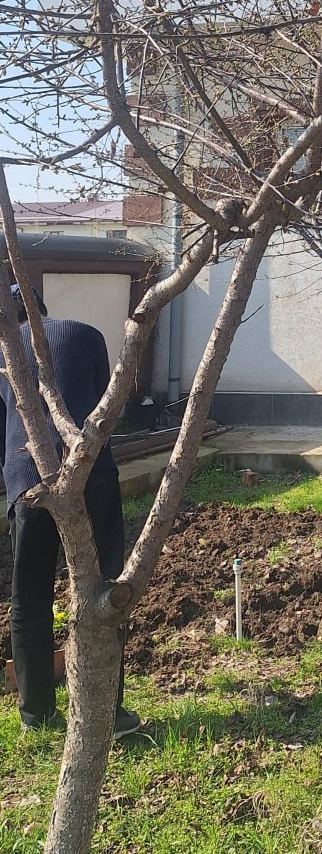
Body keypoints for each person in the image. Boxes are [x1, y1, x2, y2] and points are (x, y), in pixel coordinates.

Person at [0, 283, 141, 734]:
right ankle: (109, 714)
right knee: (105, 594)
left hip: (30, 483)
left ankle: (36, 715)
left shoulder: (5, 355)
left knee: (30, 600)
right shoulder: (86, 335)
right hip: (92, 474)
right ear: (44, 312)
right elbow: (108, 405)